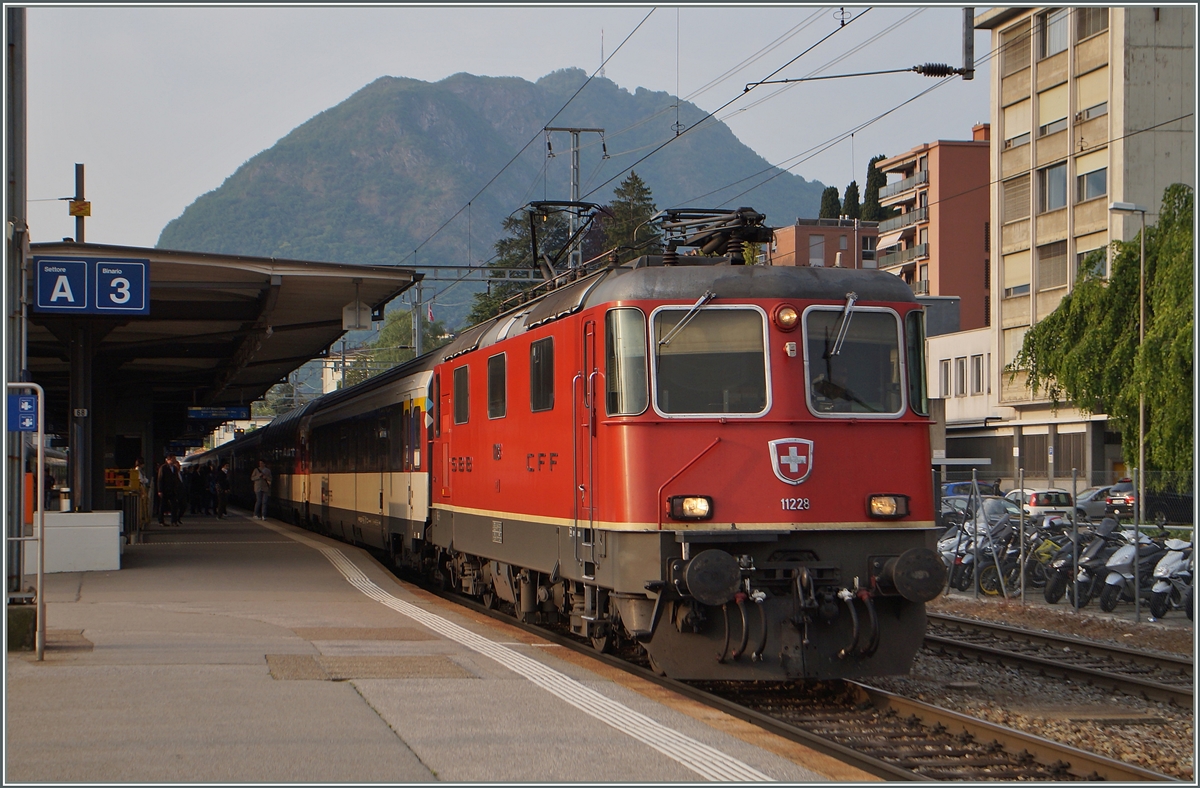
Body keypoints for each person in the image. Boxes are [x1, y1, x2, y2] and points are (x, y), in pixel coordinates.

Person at [157, 455, 182, 526]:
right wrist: (160, 490)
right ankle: (161, 521)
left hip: (172, 490)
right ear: (168, 460)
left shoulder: (174, 468)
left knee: (174, 505)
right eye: (173, 459)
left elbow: (176, 479)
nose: (174, 460)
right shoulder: (163, 468)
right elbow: (160, 479)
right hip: (165, 490)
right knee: (162, 506)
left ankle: (174, 521)